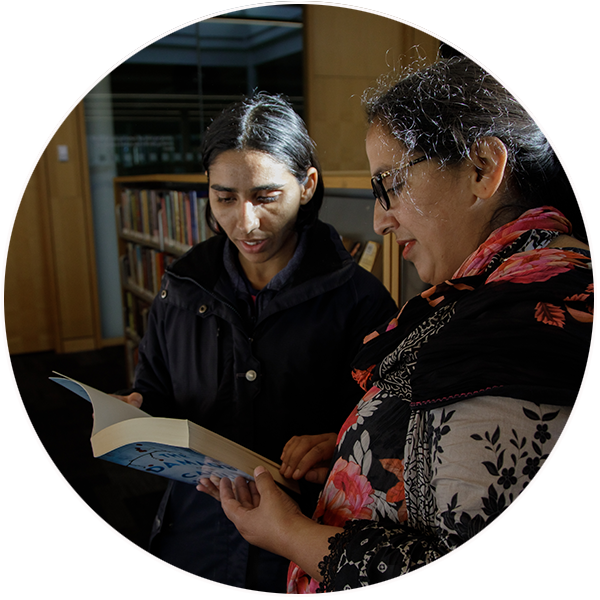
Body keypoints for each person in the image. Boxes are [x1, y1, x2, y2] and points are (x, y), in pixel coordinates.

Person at [214, 54, 596, 594]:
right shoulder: (503, 292)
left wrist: (292, 535)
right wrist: (364, 456)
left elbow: (480, 585)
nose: (379, 218)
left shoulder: (537, 316)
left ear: (483, 168)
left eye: (390, 184)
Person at [115, 92, 397, 594]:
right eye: (224, 197)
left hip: (303, 536)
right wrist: (136, 407)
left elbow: (389, 431)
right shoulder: (181, 286)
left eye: (266, 197)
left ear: (307, 186)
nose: (244, 222)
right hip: (197, 529)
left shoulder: (361, 300)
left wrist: (337, 443)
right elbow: (155, 386)